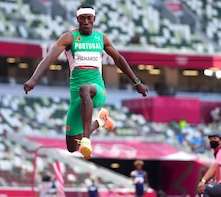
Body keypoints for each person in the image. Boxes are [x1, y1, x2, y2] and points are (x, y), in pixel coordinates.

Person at [23, 4, 148, 159]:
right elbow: (49, 58)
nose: (86, 22)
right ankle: (101, 121)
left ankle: (87, 140)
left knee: (85, 89)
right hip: (77, 97)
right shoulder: (70, 38)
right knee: (71, 147)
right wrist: (33, 79)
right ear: (78, 19)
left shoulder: (101, 38)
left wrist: (137, 82)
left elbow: (118, 59)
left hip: (97, 90)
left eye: (89, 18)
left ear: (94, 19)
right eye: (82, 18)